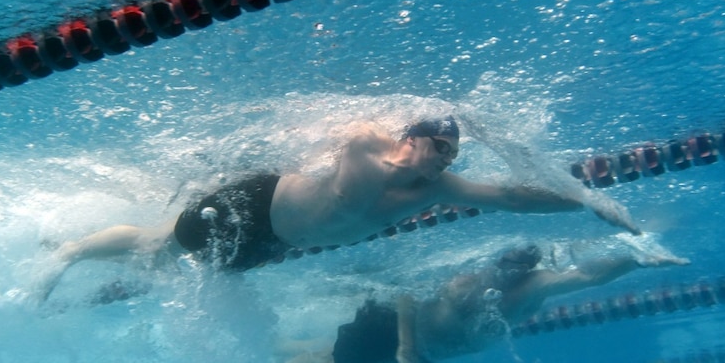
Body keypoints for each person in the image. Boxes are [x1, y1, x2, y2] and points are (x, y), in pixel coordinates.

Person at [41, 115, 640, 300]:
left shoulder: (436, 190)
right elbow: (325, 138)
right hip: (251, 205)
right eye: (440, 146)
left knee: (170, 269)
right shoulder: (362, 144)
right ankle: (69, 251)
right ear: (415, 137)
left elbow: (511, 197)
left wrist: (586, 201)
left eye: (454, 154)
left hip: (273, 244)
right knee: (159, 245)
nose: (447, 160)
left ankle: (87, 281)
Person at [217, 236, 689, 363]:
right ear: (495, 261)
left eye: (514, 269)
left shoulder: (535, 287)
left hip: (423, 356)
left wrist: (636, 256)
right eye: (501, 265)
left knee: (331, 359)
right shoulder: (466, 280)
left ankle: (270, 343)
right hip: (397, 332)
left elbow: (588, 275)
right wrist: (403, 347)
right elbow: (404, 293)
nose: (502, 274)